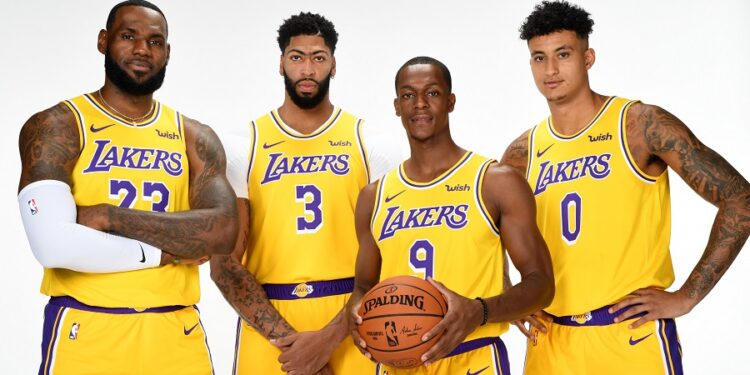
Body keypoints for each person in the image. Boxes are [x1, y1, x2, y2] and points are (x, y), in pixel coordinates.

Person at [500, 2, 750, 374]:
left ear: (588, 57)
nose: (550, 70)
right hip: (550, 343)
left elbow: (740, 199)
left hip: (631, 338)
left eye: (563, 54)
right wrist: (511, 294)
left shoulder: (639, 125)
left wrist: (687, 297)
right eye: (539, 58)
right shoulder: (521, 153)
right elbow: (492, 231)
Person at [16, 1, 238, 374]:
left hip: (175, 331)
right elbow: (53, 245)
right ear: (104, 41)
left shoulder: (193, 136)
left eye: (155, 42)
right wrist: (168, 251)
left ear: (167, 52)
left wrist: (107, 216)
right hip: (87, 329)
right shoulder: (58, 125)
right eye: (129, 36)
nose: (141, 50)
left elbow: (222, 232)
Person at [211, 12, 402, 375]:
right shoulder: (243, 145)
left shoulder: (371, 144)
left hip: (352, 318)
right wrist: (294, 346)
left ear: (333, 65)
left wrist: (328, 339)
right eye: (297, 57)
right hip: (267, 320)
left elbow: (391, 252)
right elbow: (225, 265)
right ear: (281, 63)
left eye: (319, 57)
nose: (308, 69)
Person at [347, 56, 555, 374]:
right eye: (408, 95)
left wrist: (478, 310)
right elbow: (363, 285)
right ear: (396, 105)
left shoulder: (494, 181)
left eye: (432, 93)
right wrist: (356, 312)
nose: (419, 104)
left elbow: (541, 285)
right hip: (398, 363)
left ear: (450, 101)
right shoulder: (373, 197)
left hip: (473, 358)